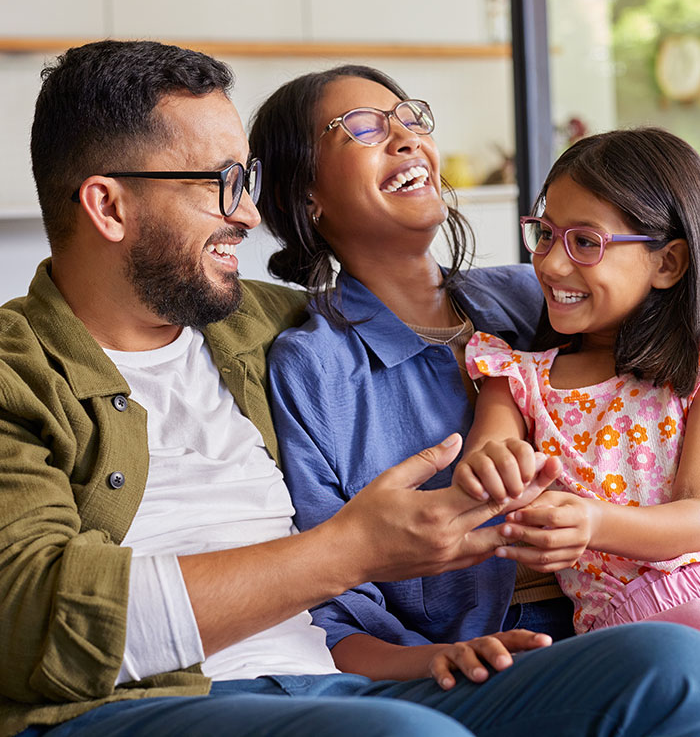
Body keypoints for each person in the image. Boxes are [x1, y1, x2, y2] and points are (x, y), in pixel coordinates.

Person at [3, 42, 700, 737]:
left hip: (347, 683)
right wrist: (353, 552)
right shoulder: (27, 373)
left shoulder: (252, 324)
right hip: (163, 698)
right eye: (220, 182)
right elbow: (32, 620)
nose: (246, 215)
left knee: (675, 664)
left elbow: (658, 320)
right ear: (109, 206)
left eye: (244, 180)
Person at [250, 64, 575, 685]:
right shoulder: (314, 366)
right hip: (480, 670)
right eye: (364, 129)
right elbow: (327, 601)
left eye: (409, 118)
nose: (405, 138)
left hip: (637, 602)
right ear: (306, 195)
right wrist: (427, 661)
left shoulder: (537, 295)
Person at [457, 127, 700, 634]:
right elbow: (487, 455)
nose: (551, 261)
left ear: (668, 262)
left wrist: (595, 523)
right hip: (620, 631)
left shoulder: (692, 373)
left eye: (585, 242)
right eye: (544, 233)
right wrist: (496, 468)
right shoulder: (517, 377)